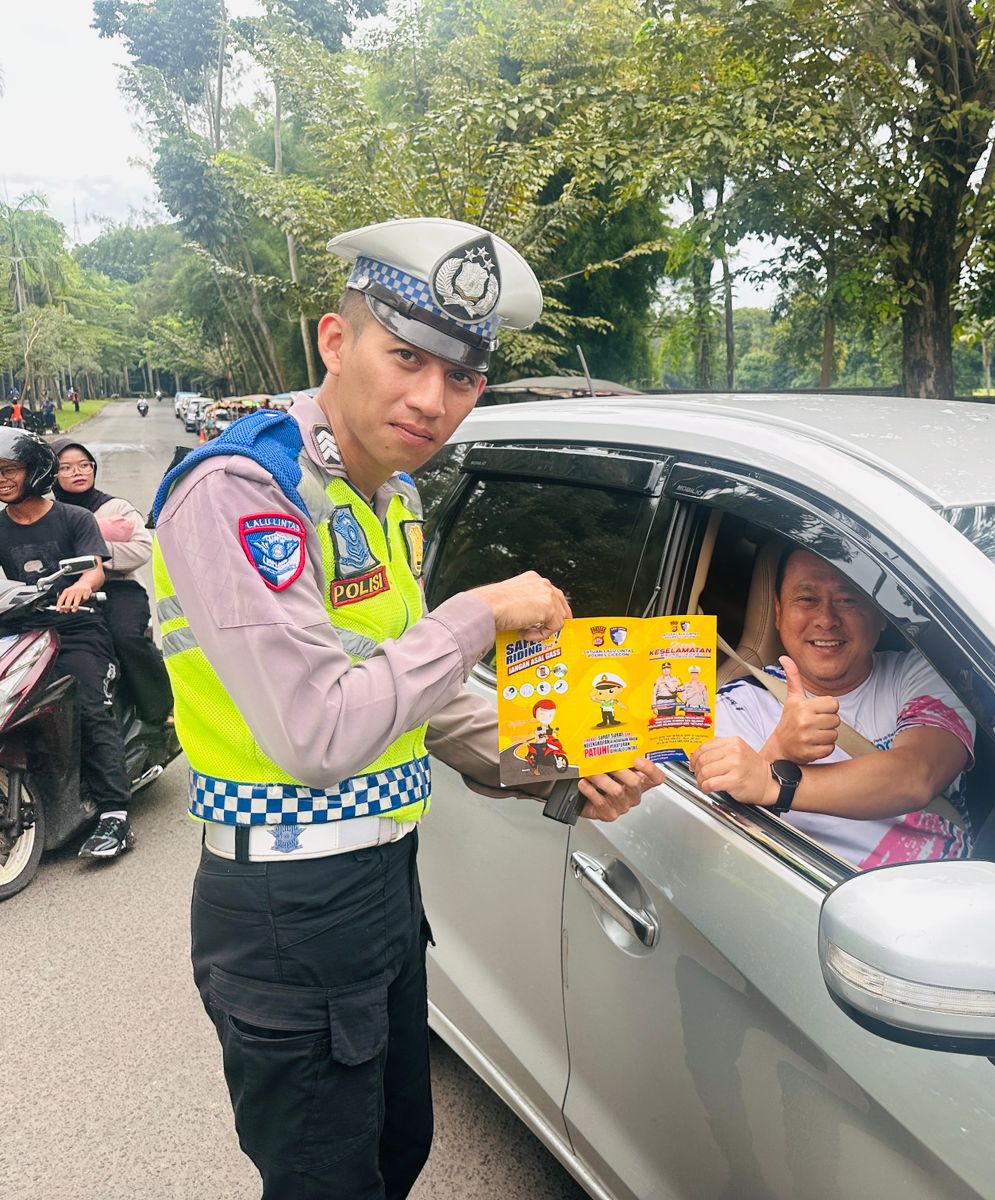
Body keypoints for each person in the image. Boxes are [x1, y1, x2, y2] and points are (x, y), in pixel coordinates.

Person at [149, 217, 664, 1200]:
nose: (433, 400)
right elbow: (319, 730)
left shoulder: (390, 497)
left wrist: (566, 758)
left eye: (462, 376)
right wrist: (479, 614)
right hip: (287, 906)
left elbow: (411, 700)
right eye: (407, 358)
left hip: (385, 884)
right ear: (335, 342)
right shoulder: (244, 490)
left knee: (396, 1150)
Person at [691, 547, 974, 868]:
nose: (826, 619)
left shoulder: (923, 675)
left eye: (847, 599)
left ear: (881, 614)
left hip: (948, 887)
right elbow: (726, 849)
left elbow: (917, 775)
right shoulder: (734, 705)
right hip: (815, 889)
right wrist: (780, 750)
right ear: (779, 613)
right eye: (806, 599)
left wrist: (772, 782)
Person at [0, 429, 136, 858]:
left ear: (35, 471)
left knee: (91, 708)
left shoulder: (74, 518)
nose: (2, 479)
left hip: (75, 628)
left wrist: (81, 586)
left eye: (9, 469)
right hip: (20, 629)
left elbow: (94, 568)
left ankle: (115, 815)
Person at [51, 440, 174, 742]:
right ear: (50, 474)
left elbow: (141, 549)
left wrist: (90, 550)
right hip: (64, 593)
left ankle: (161, 707)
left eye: (84, 465)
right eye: (66, 468)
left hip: (119, 588)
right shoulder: (47, 512)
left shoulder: (115, 507)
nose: (78, 472)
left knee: (124, 636)